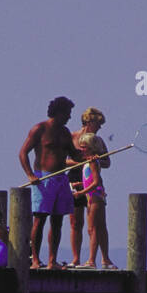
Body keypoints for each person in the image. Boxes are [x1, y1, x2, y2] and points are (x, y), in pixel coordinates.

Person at [18, 96, 78, 269]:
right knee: (40, 219)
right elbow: (23, 153)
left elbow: (74, 155)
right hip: (43, 179)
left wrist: (89, 157)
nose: (69, 117)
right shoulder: (40, 129)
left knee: (58, 221)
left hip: (61, 179)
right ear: (59, 112)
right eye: (67, 113)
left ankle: (52, 260)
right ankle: (35, 260)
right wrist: (30, 175)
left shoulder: (65, 133)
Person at [69, 109, 116, 269]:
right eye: (98, 124)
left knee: (96, 225)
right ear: (89, 122)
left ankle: (99, 258)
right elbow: (63, 160)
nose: (100, 127)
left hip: (91, 186)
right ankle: (77, 258)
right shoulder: (73, 137)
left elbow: (106, 163)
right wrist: (81, 163)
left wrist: (93, 161)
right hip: (78, 178)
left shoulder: (97, 142)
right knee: (76, 222)